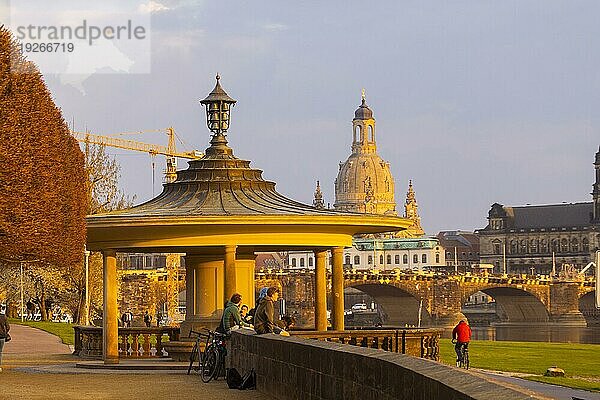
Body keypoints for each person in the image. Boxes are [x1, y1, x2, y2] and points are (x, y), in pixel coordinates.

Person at [0, 305, 10, 372]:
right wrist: (5, 332)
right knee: (0, 351)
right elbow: (8, 327)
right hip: (2, 336)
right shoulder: (3, 317)